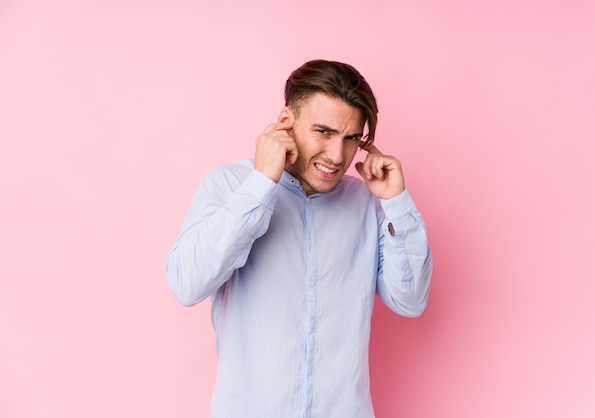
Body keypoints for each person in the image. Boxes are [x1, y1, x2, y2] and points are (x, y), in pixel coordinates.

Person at [166, 59, 433, 418]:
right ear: (286, 124)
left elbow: (410, 300)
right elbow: (187, 284)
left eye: (351, 138)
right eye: (323, 132)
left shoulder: (368, 204)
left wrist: (397, 203)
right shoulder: (229, 185)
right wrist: (261, 184)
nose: (337, 156)